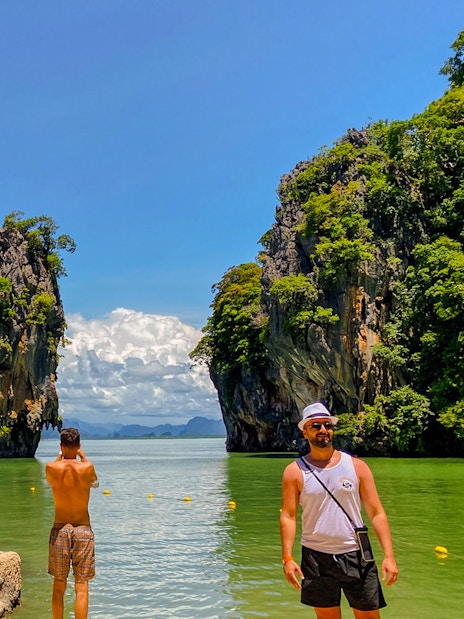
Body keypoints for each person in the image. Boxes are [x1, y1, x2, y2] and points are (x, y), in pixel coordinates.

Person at [280, 402, 398, 619]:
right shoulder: (294, 472)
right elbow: (288, 516)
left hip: (357, 553)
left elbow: (376, 513)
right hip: (315, 557)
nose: (323, 430)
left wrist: (389, 556)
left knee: (369, 616)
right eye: (316, 426)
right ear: (305, 432)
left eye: (327, 425)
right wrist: (287, 558)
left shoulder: (356, 466)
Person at [46, 428, 99, 619]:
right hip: (83, 530)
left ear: (61, 445)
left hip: (60, 529)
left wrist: (61, 455)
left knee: (59, 584)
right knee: (82, 586)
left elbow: (51, 476)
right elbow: (95, 483)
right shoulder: (87, 467)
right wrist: (82, 458)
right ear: (79, 446)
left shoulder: (52, 467)